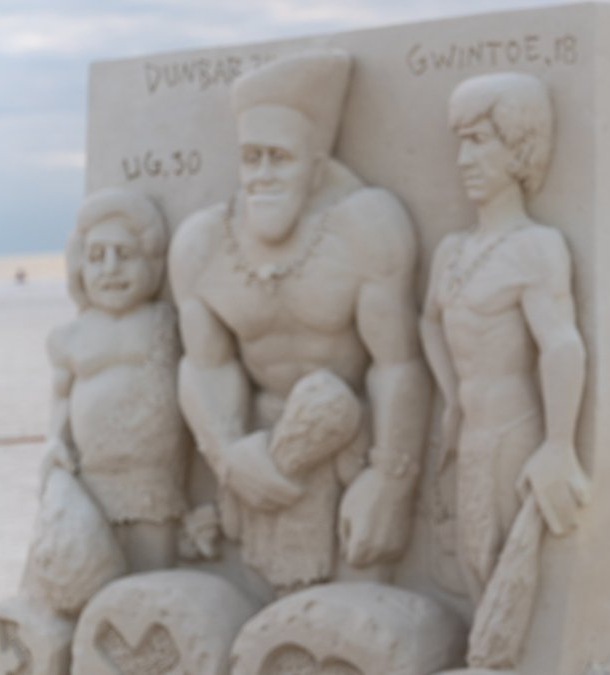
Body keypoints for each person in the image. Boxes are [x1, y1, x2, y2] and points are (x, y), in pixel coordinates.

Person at [170, 49, 430, 596]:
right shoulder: (202, 243)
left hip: (347, 451)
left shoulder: (366, 226)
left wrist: (391, 481)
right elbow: (204, 363)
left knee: (351, 614)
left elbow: (397, 365)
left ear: (316, 164)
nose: (261, 175)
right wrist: (225, 454)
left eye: (279, 158)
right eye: (251, 157)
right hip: (253, 455)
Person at [421, 72, 588, 668]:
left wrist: (559, 444)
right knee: (471, 563)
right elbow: (428, 322)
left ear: (519, 147)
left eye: (479, 140)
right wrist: (452, 398)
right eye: (459, 141)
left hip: (511, 436)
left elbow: (561, 344)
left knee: (503, 570)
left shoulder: (535, 246)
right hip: (468, 434)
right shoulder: (454, 251)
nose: (464, 157)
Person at [45, 187, 188, 571]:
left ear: (151, 263)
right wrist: (54, 441)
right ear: (79, 267)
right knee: (96, 570)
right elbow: (61, 396)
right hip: (92, 478)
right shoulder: (71, 336)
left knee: (153, 573)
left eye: (124, 255)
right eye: (96, 257)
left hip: (149, 479)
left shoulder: (162, 323)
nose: (109, 268)